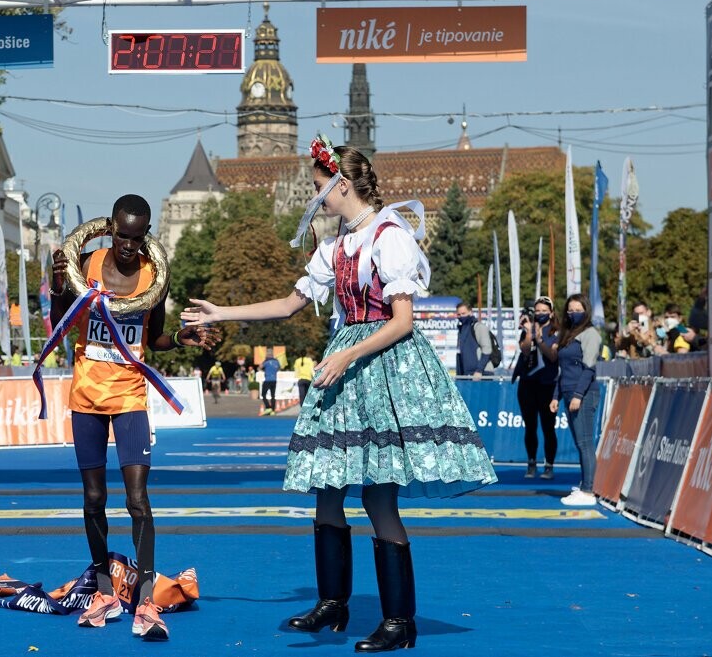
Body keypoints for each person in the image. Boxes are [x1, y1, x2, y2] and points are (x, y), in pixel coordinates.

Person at [182, 137, 496, 653]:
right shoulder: (335, 247)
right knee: (327, 487)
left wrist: (348, 354)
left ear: (342, 184)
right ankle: (333, 602)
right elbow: (289, 304)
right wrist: (223, 313)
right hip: (346, 364)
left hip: (382, 365)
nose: (315, 196)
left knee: (377, 495)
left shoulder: (389, 236)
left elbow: (402, 321)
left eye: (318, 186)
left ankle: (399, 621)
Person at [50, 194, 217, 642]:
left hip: (129, 396)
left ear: (146, 236)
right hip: (86, 396)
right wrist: (57, 287)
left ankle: (145, 599)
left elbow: (154, 337)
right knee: (93, 498)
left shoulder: (152, 275)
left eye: (136, 238)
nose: (127, 245)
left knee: (138, 500)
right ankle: (104, 591)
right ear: (110, 229)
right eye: (121, 236)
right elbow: (59, 325)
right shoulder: (84, 264)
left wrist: (181, 338)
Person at [551, 294, 604, 507]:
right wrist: (556, 396)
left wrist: (578, 395)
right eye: (570, 310)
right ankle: (584, 485)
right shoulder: (568, 335)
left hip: (583, 393)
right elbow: (562, 370)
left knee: (585, 443)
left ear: (586, 311)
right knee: (579, 443)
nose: (573, 313)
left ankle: (588, 491)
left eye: (578, 310)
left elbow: (589, 368)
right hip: (567, 391)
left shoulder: (591, 334)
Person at [514, 297, 559, 480]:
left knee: (548, 427)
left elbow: (553, 356)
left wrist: (540, 339)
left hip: (547, 384)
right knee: (530, 426)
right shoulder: (528, 329)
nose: (540, 314)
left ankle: (549, 465)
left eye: (544, 311)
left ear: (551, 313)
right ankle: (531, 463)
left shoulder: (556, 331)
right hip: (527, 383)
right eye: (537, 311)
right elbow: (525, 350)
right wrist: (529, 333)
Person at [455, 301, 494, 378]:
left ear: (470, 312)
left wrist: (479, 370)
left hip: (482, 374)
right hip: (466, 374)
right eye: (459, 314)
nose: (461, 316)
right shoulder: (461, 330)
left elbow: (487, 349)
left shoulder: (478, 327)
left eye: (463, 313)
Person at [259, 350, 281, 416]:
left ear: (268, 355)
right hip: (274, 380)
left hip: (267, 380)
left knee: (263, 394)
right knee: (273, 395)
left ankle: (268, 407)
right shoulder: (277, 362)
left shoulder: (266, 361)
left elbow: (260, 367)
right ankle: (273, 410)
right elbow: (278, 368)